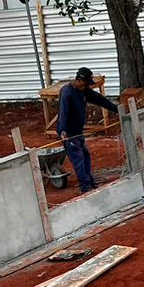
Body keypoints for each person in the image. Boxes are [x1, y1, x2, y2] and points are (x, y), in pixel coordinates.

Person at [58, 66, 118, 194]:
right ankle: (85, 187)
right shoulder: (66, 92)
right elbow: (63, 112)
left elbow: (99, 99)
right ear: (79, 80)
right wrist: (62, 130)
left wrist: (116, 108)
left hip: (78, 132)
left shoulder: (84, 91)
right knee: (78, 158)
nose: (87, 87)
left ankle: (90, 181)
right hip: (69, 133)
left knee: (85, 155)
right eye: (85, 83)